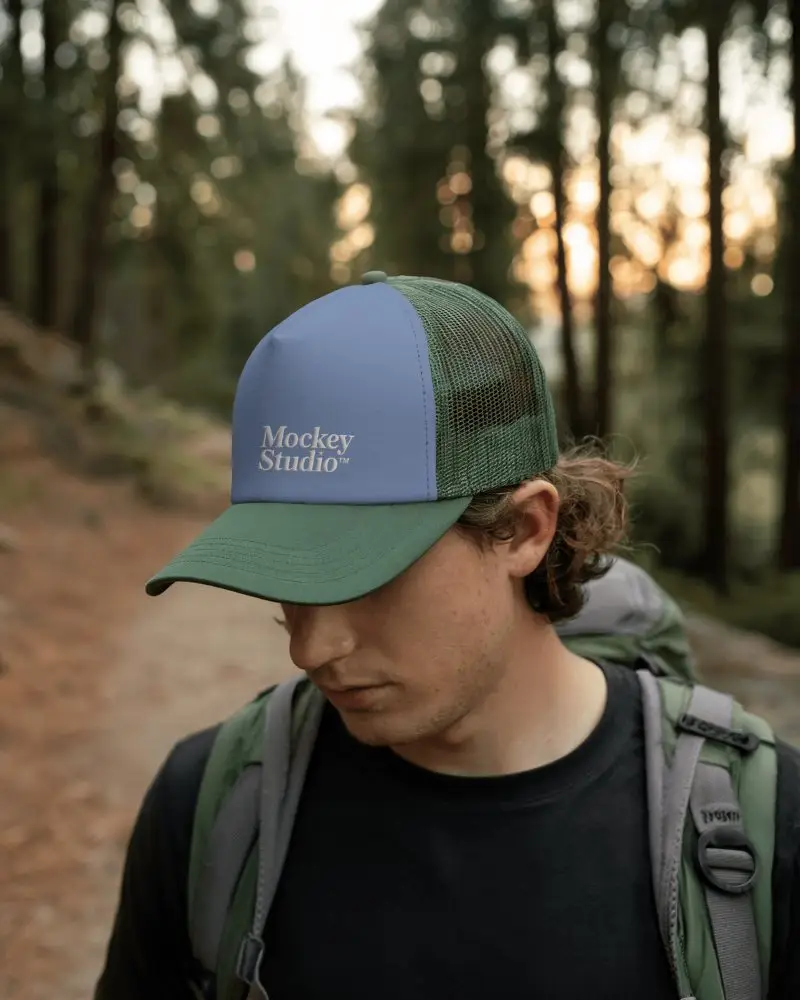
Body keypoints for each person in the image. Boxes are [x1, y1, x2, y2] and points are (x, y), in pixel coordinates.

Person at [95, 272, 800, 1000]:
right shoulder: (212, 806)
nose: (311, 649)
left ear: (525, 530)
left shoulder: (759, 829)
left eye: (368, 575)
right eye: (290, 575)